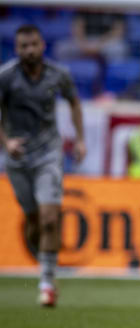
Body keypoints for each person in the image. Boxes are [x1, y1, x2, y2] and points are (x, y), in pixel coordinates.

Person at [0, 25, 85, 307]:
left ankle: (47, 282)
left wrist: (80, 139)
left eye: (34, 44)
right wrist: (6, 142)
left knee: (50, 217)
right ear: (17, 49)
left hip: (49, 152)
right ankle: (44, 262)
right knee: (34, 219)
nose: (30, 50)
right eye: (24, 46)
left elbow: (74, 102)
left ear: (42, 45)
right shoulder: (7, 77)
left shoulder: (57, 74)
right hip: (18, 156)